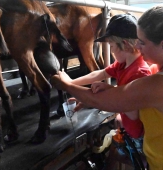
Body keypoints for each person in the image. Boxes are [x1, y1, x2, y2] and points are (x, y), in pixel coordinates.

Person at [51, 0, 163, 169]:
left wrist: (67, 84)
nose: (137, 47)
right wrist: (112, 90)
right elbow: (132, 96)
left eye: (142, 42)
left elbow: (106, 101)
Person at [53, 13, 151, 169]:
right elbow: (98, 74)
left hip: (139, 137)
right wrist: (71, 82)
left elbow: (132, 112)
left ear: (124, 44)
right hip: (128, 128)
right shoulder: (122, 64)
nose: (111, 51)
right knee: (113, 147)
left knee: (122, 154)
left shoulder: (140, 73)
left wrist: (95, 95)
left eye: (112, 46)